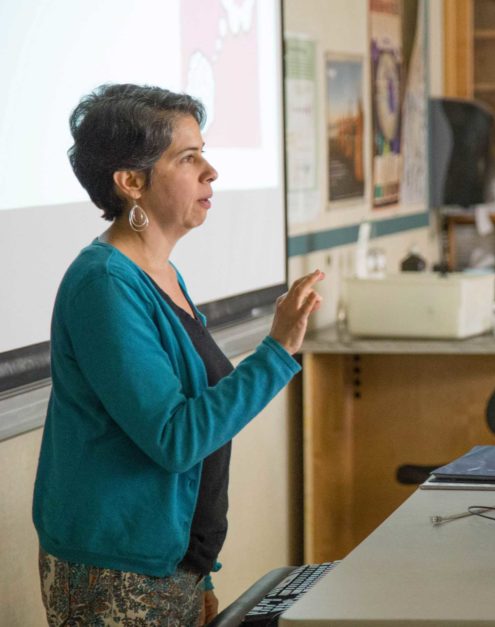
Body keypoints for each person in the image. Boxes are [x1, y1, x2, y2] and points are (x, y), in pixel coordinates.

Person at [32, 83, 324, 625]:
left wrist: (200, 567)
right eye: (189, 158)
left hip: (170, 565)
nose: (210, 172)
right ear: (131, 182)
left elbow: (194, 438)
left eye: (204, 153)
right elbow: (175, 437)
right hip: (115, 572)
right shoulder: (103, 284)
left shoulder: (161, 273)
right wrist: (278, 350)